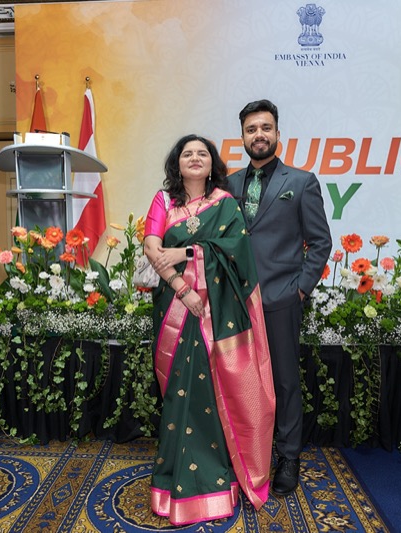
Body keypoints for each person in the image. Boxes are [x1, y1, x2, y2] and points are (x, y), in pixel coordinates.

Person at [143, 134, 276, 525]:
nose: (195, 158)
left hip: (215, 314)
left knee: (207, 388)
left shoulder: (226, 204)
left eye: (202, 153)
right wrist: (183, 289)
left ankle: (214, 481)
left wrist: (187, 252)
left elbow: (237, 251)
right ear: (177, 163)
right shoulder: (163, 201)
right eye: (187, 153)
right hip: (176, 308)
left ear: (212, 163)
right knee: (178, 394)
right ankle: (172, 480)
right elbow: (152, 249)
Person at [226, 99, 332, 496]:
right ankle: (243, 453)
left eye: (265, 128)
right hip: (234, 300)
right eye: (251, 129)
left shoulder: (302, 182)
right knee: (239, 380)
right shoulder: (228, 185)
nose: (259, 135)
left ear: (277, 134)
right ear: (242, 136)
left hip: (281, 299)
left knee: (285, 382)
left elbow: (320, 242)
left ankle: (288, 457)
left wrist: (300, 289)